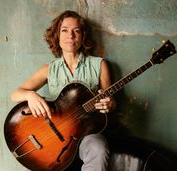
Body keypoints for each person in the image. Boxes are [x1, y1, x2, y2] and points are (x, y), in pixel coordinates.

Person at [11, 10, 116, 171]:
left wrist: (110, 103)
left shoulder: (99, 65)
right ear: (57, 35)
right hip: (54, 137)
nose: (71, 36)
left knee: (98, 148)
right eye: (64, 30)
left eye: (76, 31)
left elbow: (109, 100)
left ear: (83, 36)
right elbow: (15, 94)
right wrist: (30, 95)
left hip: (86, 133)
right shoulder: (49, 69)